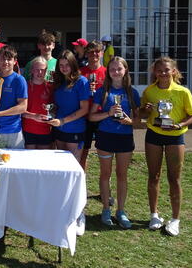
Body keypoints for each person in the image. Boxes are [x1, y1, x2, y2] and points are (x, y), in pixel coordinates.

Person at [140, 57, 192, 236]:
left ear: (173, 71)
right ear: (154, 72)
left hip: (175, 137)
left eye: (166, 70)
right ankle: (154, 215)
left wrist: (180, 125)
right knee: (153, 176)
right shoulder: (149, 91)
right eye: (159, 70)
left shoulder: (183, 91)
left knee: (174, 179)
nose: (163, 73)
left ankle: (175, 220)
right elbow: (141, 113)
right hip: (154, 135)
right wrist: (146, 110)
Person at [89, 57, 140, 229]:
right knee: (105, 174)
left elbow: (138, 120)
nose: (116, 72)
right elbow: (91, 116)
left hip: (125, 138)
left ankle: (121, 210)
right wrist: (108, 113)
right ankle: (105, 209)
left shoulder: (133, 93)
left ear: (125, 70)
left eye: (119, 69)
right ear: (108, 72)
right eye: (112, 69)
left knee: (122, 175)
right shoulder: (102, 92)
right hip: (105, 137)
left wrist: (129, 121)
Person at [47, 49, 89, 236]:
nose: (64, 68)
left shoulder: (82, 82)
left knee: (76, 173)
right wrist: (52, 113)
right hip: (59, 130)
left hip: (75, 131)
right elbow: (58, 106)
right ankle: (64, 210)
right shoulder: (59, 83)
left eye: (67, 65)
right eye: (61, 65)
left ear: (73, 65)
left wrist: (64, 121)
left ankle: (79, 213)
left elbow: (84, 109)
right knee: (62, 173)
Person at [0, 46, 28, 148]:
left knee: (16, 163)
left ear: (14, 61)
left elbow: (23, 107)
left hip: (13, 131)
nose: (6, 62)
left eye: (9, 59)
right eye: (3, 59)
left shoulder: (19, 80)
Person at [79, 40, 107, 170]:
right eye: (91, 52)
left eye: (97, 51)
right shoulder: (80, 72)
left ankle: (106, 183)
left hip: (101, 116)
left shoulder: (107, 73)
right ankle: (82, 182)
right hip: (84, 117)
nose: (94, 54)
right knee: (83, 151)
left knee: (104, 153)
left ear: (102, 53)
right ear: (86, 54)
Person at [22, 56, 53, 149]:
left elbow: (54, 108)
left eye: (42, 70)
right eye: (37, 70)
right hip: (28, 129)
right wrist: (33, 116)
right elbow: (19, 111)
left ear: (46, 70)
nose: (40, 73)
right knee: (30, 161)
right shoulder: (24, 86)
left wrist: (52, 114)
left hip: (45, 130)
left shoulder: (50, 87)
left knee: (43, 161)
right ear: (32, 70)